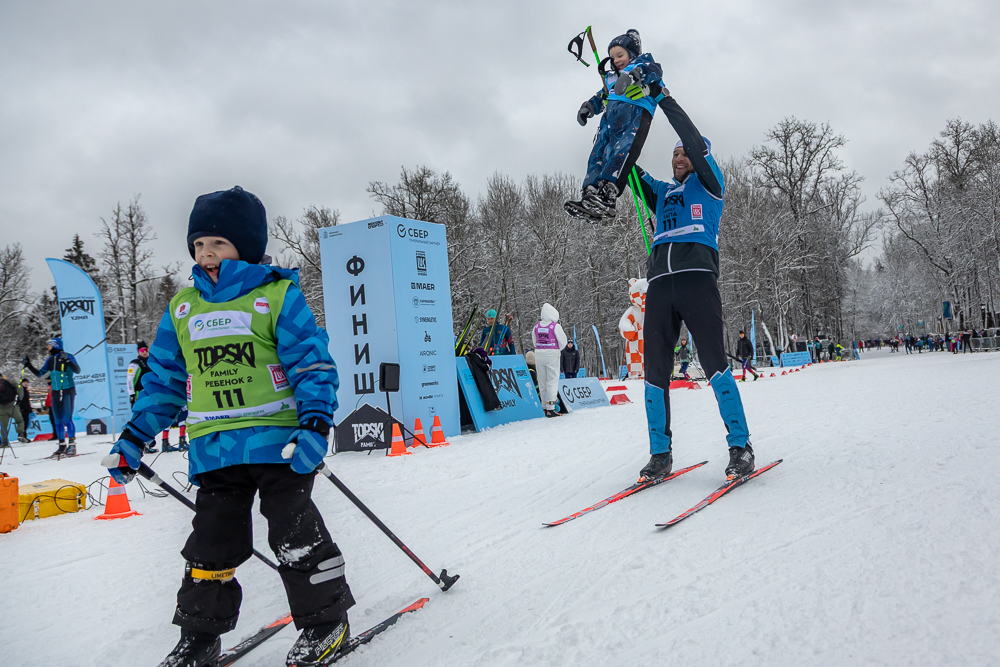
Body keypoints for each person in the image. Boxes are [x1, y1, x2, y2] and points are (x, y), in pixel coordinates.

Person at [101, 186, 355, 667]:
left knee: (292, 532)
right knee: (210, 545)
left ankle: (327, 622)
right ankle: (200, 635)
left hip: (278, 443)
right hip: (214, 449)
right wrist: (134, 438)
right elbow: (164, 382)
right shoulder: (183, 308)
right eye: (197, 245)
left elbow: (312, 365)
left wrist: (316, 425)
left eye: (217, 243)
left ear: (247, 245)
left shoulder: (277, 295)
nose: (205, 254)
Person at [627, 89, 756, 483]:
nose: (679, 157)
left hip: (697, 281)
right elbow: (628, 163)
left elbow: (692, 139)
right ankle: (660, 454)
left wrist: (662, 98)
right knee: (655, 372)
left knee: (715, 363)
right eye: (675, 154)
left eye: (686, 153)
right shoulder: (664, 193)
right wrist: (622, 115)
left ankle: (741, 447)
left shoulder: (710, 183)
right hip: (661, 287)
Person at [564, 30, 664, 220]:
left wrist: (634, 76)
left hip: (633, 116)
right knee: (598, 153)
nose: (616, 60)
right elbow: (602, 96)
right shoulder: (610, 78)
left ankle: (608, 193)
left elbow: (655, 71)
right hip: (609, 122)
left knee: (620, 152)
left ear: (632, 54)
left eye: (620, 55)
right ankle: (590, 192)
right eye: (612, 57)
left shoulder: (643, 65)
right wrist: (589, 107)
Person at [24, 337, 81, 456]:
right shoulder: (50, 359)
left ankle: (72, 445)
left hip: (67, 391)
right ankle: (61, 445)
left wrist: (68, 361)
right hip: (55, 392)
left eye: (49, 345)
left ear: (55, 345)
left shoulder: (68, 356)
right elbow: (40, 374)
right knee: (58, 420)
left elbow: (77, 370)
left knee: (67, 419)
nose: (47, 347)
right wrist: (28, 365)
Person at [532, 303, 568, 417]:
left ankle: (544, 407)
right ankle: (551, 407)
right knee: (552, 380)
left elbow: (534, 341)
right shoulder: (555, 326)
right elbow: (563, 342)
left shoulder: (536, 326)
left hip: (539, 354)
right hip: (552, 354)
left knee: (542, 381)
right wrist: (556, 349)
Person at [0, 373, 28, 447]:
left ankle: (4, 442)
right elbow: (20, 388)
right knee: (20, 420)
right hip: (12, 405)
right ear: (3, 376)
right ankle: (20, 434)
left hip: (2, 408)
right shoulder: (10, 381)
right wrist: (19, 399)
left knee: (3, 426)